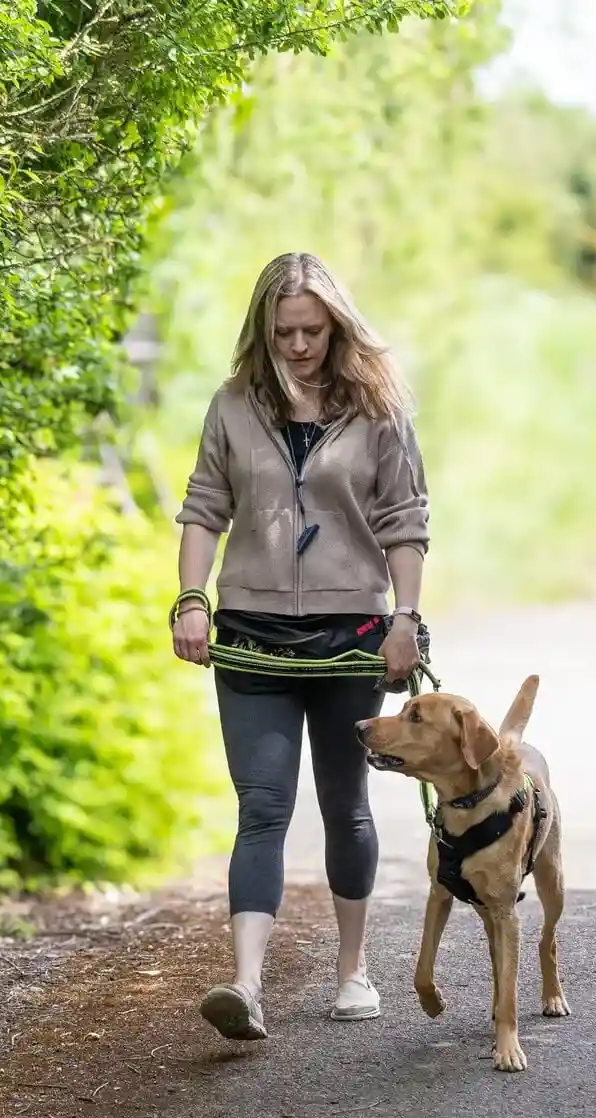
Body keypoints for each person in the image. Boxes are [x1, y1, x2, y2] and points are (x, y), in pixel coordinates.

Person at [171, 251, 429, 1041]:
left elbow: (405, 522)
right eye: (283, 331)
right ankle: (246, 987)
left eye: (312, 330)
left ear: (336, 326)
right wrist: (191, 599)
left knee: (345, 805)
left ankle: (353, 973)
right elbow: (203, 508)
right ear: (263, 328)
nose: (298, 345)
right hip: (251, 635)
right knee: (262, 805)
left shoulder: (379, 409)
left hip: (352, 635)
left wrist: (405, 619)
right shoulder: (232, 404)